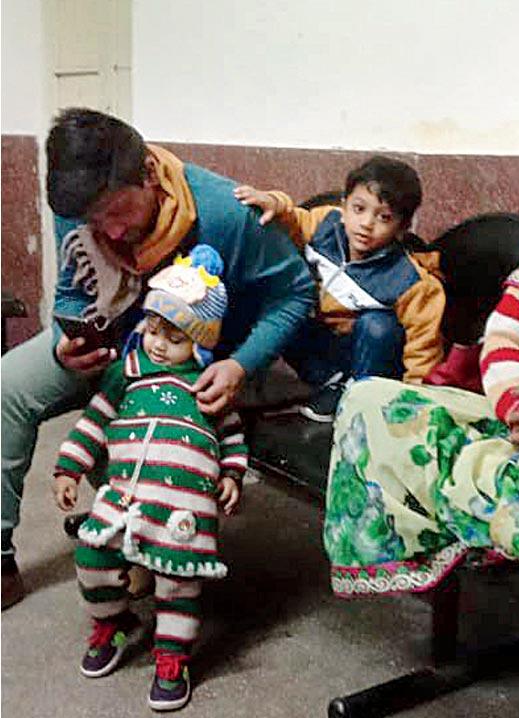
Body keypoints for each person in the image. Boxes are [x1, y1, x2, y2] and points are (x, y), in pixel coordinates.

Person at [321, 69, 519, 598]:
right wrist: (518, 402)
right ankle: (517, 502)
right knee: (369, 401)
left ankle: (488, 495)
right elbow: (509, 328)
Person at [0, 109, 314, 610]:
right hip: (110, 346)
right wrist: (69, 336)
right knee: (7, 388)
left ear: (149, 172)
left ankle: (140, 540)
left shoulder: (225, 212)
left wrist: (240, 366)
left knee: (142, 418)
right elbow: (72, 292)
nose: (113, 232)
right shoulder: (79, 208)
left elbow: (295, 294)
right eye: (95, 220)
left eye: (119, 211)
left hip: (194, 364)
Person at [52, 247, 246, 711]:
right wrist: (70, 467)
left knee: (178, 582)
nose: (158, 344)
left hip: (183, 509)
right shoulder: (129, 373)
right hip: (122, 497)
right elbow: (94, 420)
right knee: (91, 553)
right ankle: (114, 621)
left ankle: (172, 656)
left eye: (175, 338)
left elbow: (232, 435)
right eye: (153, 330)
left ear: (199, 345)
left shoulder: (207, 384)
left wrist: (233, 474)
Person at [233, 156, 446, 421]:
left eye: (384, 217)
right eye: (359, 209)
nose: (367, 224)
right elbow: (291, 219)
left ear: (402, 228)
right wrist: (272, 202)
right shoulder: (325, 225)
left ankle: (358, 397)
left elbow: (423, 350)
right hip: (322, 348)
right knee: (283, 303)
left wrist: (416, 403)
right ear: (344, 206)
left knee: (378, 325)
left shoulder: (411, 283)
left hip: (371, 358)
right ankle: (330, 384)